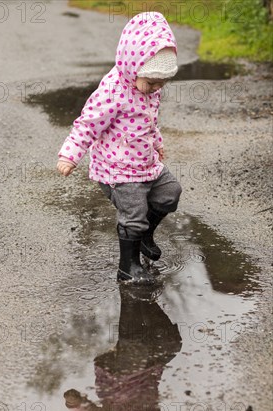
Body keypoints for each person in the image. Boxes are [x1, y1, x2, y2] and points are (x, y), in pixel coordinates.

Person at [57, 11, 182, 283]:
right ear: (132, 65)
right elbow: (87, 123)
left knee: (170, 193)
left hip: (146, 162)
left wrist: (157, 144)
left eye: (162, 82)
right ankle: (128, 267)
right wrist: (70, 154)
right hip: (119, 169)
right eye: (151, 82)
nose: (156, 87)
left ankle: (145, 235)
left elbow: (150, 121)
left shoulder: (150, 87)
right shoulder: (112, 92)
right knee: (134, 215)